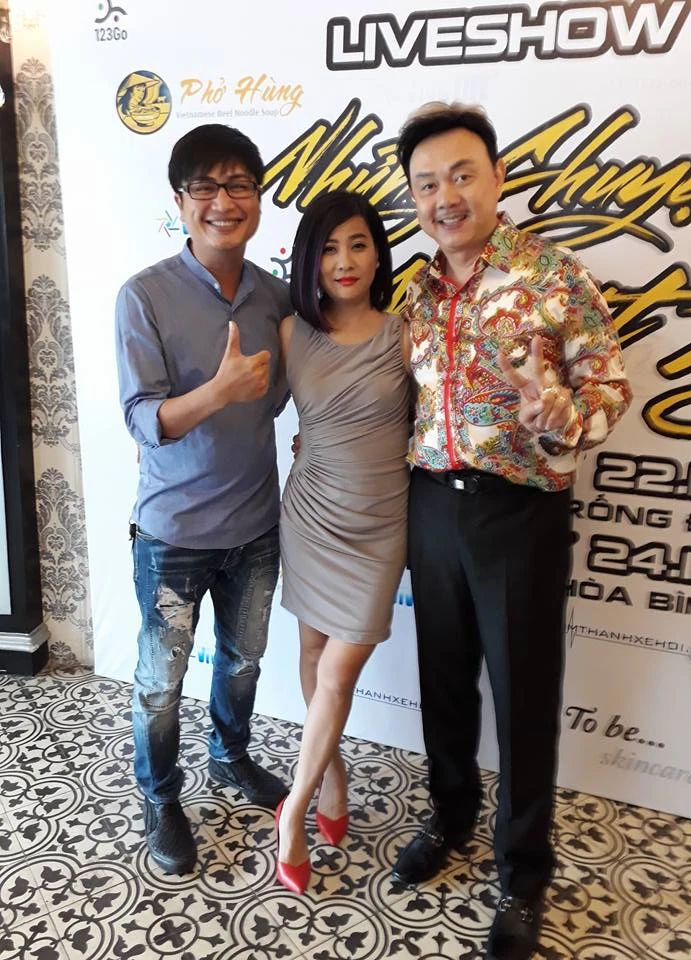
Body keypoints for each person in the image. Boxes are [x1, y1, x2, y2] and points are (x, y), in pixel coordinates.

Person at [392, 102, 632, 960]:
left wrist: (558, 411)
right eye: (427, 184)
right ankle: (450, 817)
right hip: (430, 504)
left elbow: (610, 387)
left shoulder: (553, 276)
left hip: (520, 508)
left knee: (523, 697)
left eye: (462, 175)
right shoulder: (417, 291)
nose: (445, 196)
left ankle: (524, 873)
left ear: (497, 177)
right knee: (443, 682)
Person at [116, 124, 291, 876]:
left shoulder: (276, 297)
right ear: (180, 200)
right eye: (206, 187)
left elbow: (297, 388)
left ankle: (230, 755)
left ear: (258, 196)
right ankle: (160, 796)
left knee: (244, 662)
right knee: (161, 684)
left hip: (256, 526)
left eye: (239, 185)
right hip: (173, 534)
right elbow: (141, 420)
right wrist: (217, 391)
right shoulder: (144, 295)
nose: (224, 201)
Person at [274, 190, 411, 894]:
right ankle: (330, 775)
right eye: (328, 248)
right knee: (310, 654)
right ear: (310, 260)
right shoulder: (291, 332)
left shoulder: (406, 334)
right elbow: (253, 409)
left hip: (381, 525)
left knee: (337, 672)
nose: (345, 260)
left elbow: (440, 427)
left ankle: (293, 810)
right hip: (310, 515)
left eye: (359, 243)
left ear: (379, 254)